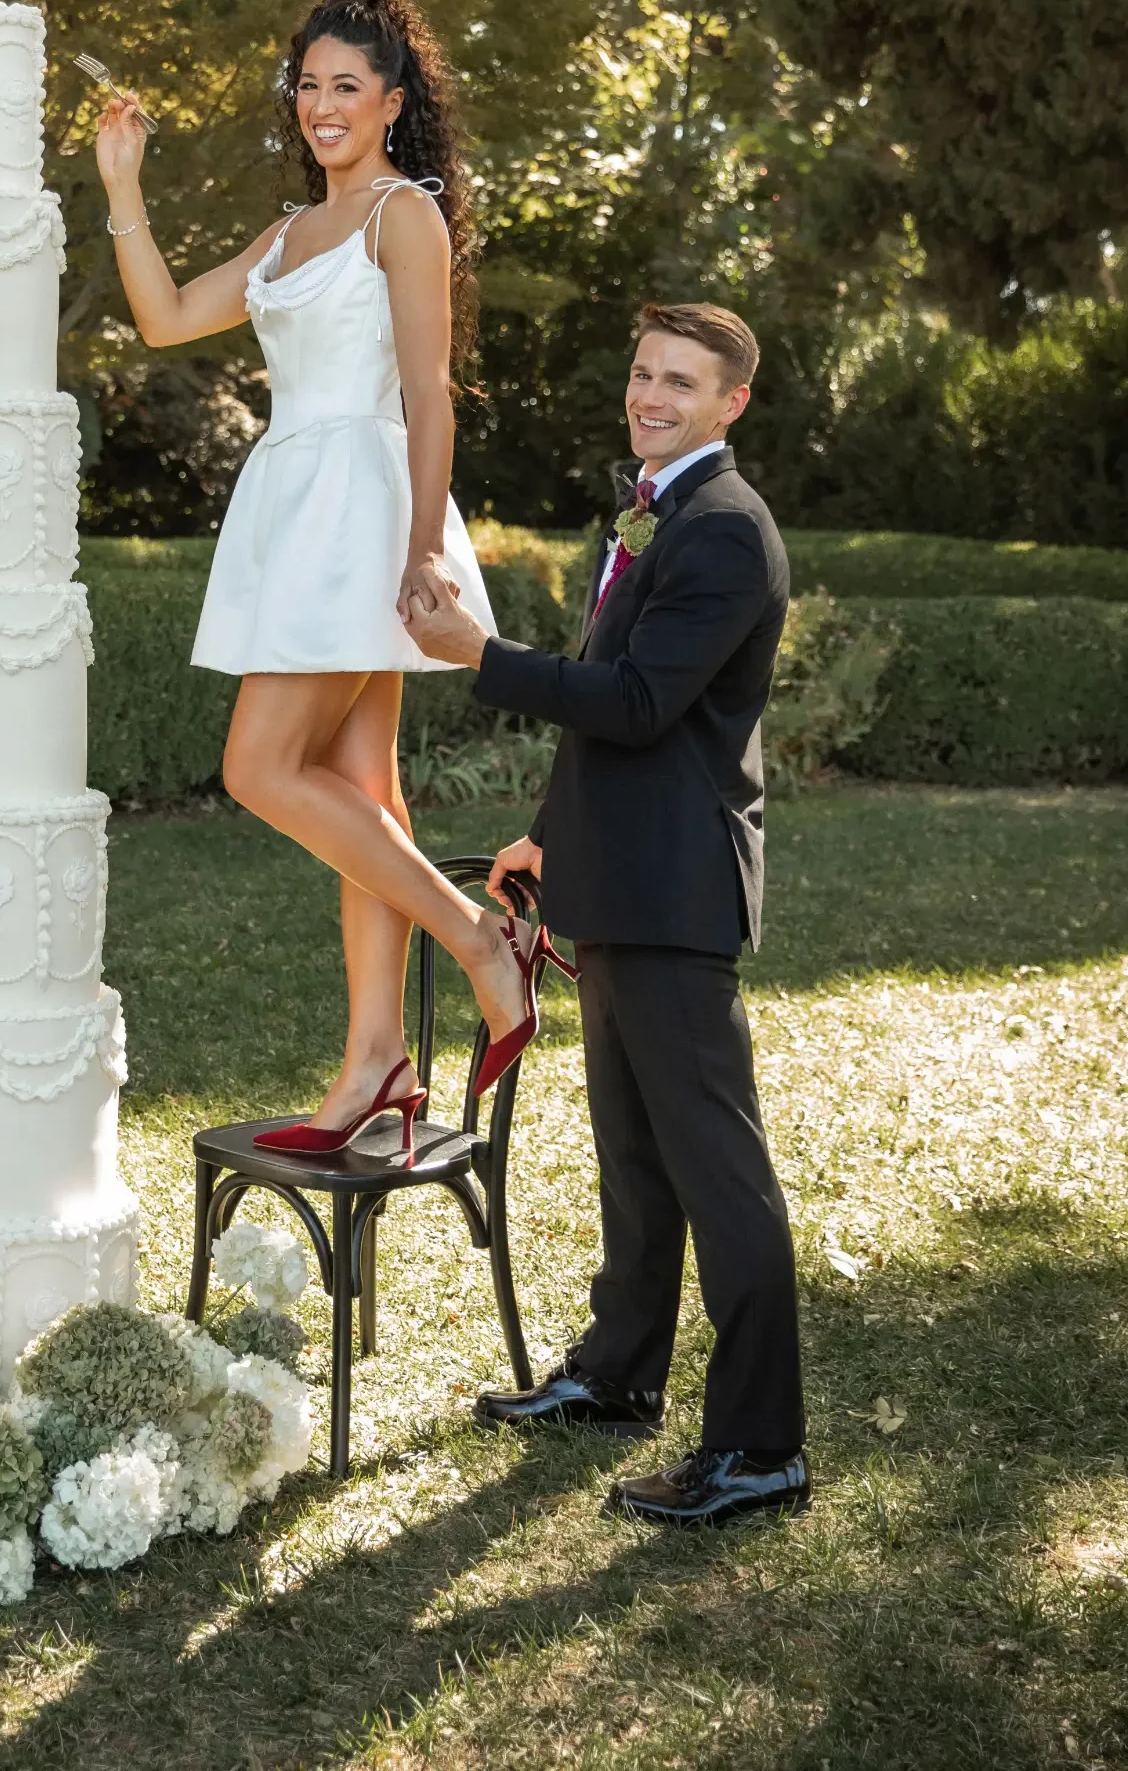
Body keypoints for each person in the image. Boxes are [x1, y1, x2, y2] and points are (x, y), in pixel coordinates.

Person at [95, 0, 540, 1154]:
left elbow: (431, 392)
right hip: (295, 504)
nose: (323, 104)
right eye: (309, 84)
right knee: (364, 791)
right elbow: (164, 316)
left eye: (348, 85)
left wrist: (419, 548)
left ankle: (478, 940)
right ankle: (375, 1061)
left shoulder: (405, 215)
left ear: (393, 102)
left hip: (366, 507)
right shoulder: (289, 234)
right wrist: (122, 185)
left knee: (257, 764)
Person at [403, 301, 809, 1527]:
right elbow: (611, 723)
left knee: (719, 1178)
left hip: (677, 894)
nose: (651, 393)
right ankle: (619, 1375)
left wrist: (479, 653)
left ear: (729, 402)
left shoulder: (724, 530)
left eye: (679, 380)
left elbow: (633, 701)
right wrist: (546, 831)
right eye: (642, 372)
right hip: (618, 876)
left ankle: (756, 1448)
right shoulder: (652, 510)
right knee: (635, 1162)